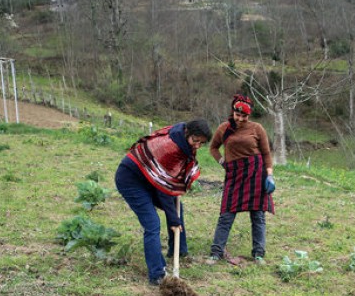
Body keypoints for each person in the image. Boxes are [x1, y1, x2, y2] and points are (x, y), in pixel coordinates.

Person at [115, 119, 212, 285]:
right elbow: (164, 190)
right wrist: (173, 219)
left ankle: (179, 250)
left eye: (201, 143)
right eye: (195, 141)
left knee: (176, 207)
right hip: (131, 179)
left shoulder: (182, 137)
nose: (197, 146)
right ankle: (157, 275)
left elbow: (168, 182)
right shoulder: (171, 148)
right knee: (152, 223)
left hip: (149, 176)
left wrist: (174, 213)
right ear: (187, 132)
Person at [207, 94, 275, 265]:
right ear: (233, 112)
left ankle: (258, 253)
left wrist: (270, 175)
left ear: (248, 115)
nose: (240, 119)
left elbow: (266, 153)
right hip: (234, 175)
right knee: (226, 215)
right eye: (238, 115)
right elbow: (213, 148)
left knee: (258, 215)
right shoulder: (224, 128)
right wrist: (222, 161)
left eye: (244, 116)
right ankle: (216, 252)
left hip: (256, 174)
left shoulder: (257, 128)